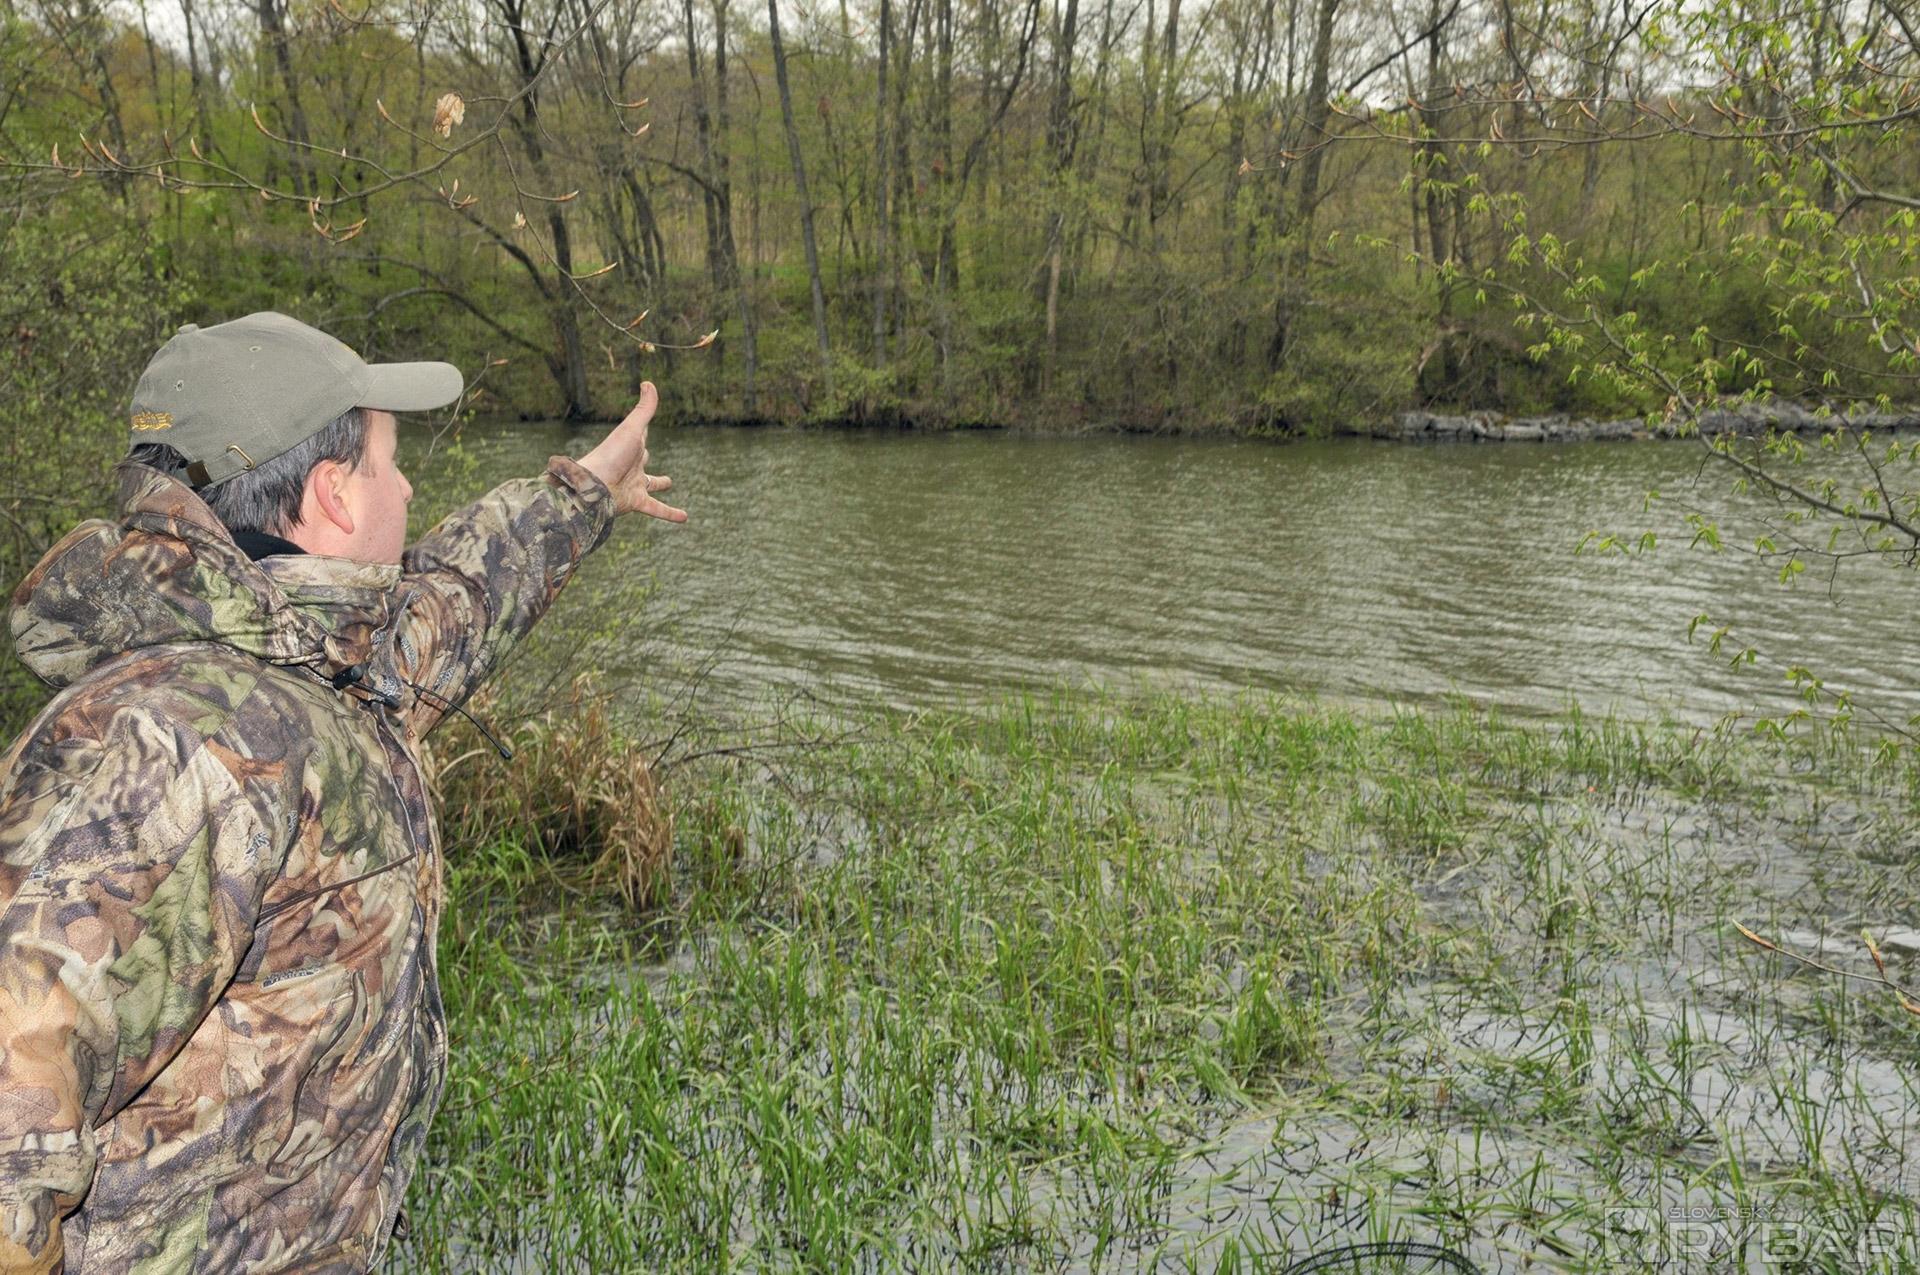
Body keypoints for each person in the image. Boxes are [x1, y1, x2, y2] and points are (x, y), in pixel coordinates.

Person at [0, 312, 686, 1273]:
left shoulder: (314, 664)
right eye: (389, 464)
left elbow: (459, 601)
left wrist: (588, 492)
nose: (406, 489)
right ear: (332, 492)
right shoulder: (177, 737)